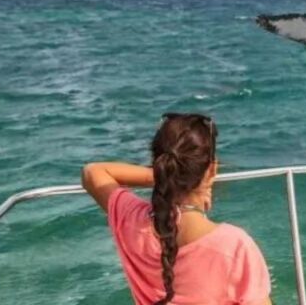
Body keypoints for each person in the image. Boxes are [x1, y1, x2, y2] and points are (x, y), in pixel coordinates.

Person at [82, 113, 272, 305]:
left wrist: (166, 176)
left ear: (160, 166)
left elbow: (93, 172)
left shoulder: (133, 222)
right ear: (212, 170)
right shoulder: (234, 247)